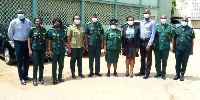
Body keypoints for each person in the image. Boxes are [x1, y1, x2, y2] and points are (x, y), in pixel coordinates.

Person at [7, 9, 32, 85]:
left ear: (24, 13)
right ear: (17, 14)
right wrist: (14, 42)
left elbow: (30, 32)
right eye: (19, 13)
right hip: (18, 43)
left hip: (26, 43)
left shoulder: (28, 22)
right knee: (19, 61)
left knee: (27, 60)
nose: (20, 14)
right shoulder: (13, 22)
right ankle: (21, 77)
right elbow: (10, 33)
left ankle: (26, 75)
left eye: (21, 13)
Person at [135, 9, 156, 79]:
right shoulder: (142, 22)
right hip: (142, 41)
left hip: (148, 41)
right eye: (144, 13)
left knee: (149, 58)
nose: (146, 14)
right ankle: (142, 71)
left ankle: (147, 72)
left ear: (150, 14)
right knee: (142, 57)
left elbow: (153, 34)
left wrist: (149, 44)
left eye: (147, 13)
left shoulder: (152, 22)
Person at [28, 17, 48, 86]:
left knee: (41, 64)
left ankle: (41, 78)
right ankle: (34, 79)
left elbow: (46, 40)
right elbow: (29, 40)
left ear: (41, 22)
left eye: (39, 21)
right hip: (35, 49)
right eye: (36, 21)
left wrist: (46, 50)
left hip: (42, 49)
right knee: (35, 64)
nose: (38, 22)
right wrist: (30, 50)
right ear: (34, 22)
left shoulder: (44, 30)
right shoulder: (32, 30)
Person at [48, 18, 67, 85]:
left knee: (61, 65)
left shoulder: (64, 30)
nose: (57, 25)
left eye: (58, 23)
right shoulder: (51, 31)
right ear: (53, 24)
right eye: (55, 23)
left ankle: (60, 77)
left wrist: (64, 26)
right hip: (54, 50)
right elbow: (49, 40)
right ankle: (54, 79)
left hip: (61, 49)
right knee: (54, 65)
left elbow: (66, 38)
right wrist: (49, 50)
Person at [85, 12, 104, 77]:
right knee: (91, 59)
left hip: (98, 44)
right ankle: (91, 72)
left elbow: (102, 34)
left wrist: (102, 43)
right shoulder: (88, 25)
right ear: (91, 17)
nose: (94, 18)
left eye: (95, 17)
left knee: (97, 59)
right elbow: (86, 34)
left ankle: (97, 72)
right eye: (93, 17)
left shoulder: (100, 25)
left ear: (97, 17)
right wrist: (86, 44)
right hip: (91, 44)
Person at [154, 14, 173, 80]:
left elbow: (172, 37)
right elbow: (154, 37)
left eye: (164, 18)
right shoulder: (157, 27)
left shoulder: (169, 27)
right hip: (157, 46)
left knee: (164, 61)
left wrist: (172, 46)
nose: (163, 19)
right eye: (162, 18)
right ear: (160, 19)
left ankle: (163, 73)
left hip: (165, 47)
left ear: (166, 19)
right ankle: (158, 72)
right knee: (157, 60)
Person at [67, 15, 85, 79]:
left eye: (78, 18)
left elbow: (83, 37)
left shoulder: (82, 28)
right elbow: (68, 38)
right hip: (73, 46)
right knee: (73, 60)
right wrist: (69, 48)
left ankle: (80, 72)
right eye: (76, 18)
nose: (77, 20)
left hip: (80, 46)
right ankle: (73, 73)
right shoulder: (70, 28)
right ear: (73, 20)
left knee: (79, 60)